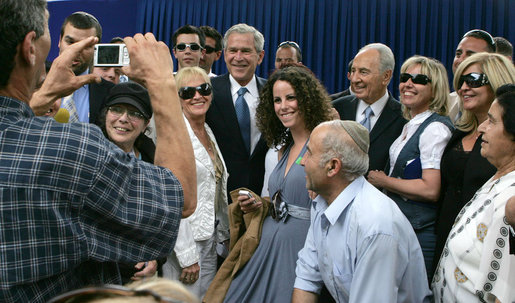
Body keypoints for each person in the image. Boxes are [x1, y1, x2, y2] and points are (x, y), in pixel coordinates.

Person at [0, 0, 196, 301]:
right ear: (30, 47)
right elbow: (180, 197)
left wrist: (41, 97)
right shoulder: (72, 148)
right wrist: (160, 80)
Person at [220, 66, 332, 303]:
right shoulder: (284, 146)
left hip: (301, 248)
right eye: (277, 100)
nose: (283, 106)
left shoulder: (324, 143)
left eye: (291, 97)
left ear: (308, 100)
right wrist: (258, 204)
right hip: (266, 244)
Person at [292, 120, 431, 303]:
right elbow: (308, 278)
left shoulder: (376, 224)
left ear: (333, 166)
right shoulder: (321, 203)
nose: (302, 161)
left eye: (309, 153)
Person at [368, 56, 454, 277]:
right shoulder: (412, 125)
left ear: (436, 89)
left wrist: (384, 181)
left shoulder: (435, 128)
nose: (408, 84)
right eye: (405, 77)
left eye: (419, 80)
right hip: (402, 228)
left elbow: (430, 189)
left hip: (418, 233)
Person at [433, 52, 515, 277]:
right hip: (446, 241)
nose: (463, 88)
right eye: (460, 81)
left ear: (497, 78)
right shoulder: (457, 133)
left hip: (487, 252)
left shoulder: (508, 143)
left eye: (474, 80)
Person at [162, 67, 229, 299]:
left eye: (203, 89)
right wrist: (187, 256)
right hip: (184, 248)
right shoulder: (174, 136)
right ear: (177, 98)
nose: (197, 96)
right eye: (187, 92)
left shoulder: (208, 130)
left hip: (209, 241)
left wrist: (224, 234)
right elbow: (172, 199)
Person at [96, 82, 161, 283]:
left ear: (146, 123)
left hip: (143, 279)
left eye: (134, 113)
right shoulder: (88, 157)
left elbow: (162, 219)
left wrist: (156, 258)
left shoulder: (155, 161)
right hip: (99, 277)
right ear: (105, 114)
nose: (123, 119)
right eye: (116, 110)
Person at [205, 23, 268, 198]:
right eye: (232, 51)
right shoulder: (207, 91)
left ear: (260, 56)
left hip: (263, 197)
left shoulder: (273, 93)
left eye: (246, 51)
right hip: (220, 197)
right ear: (225, 55)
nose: (238, 57)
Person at [332, 43, 406, 172]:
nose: (354, 79)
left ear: (386, 76)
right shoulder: (337, 108)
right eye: (353, 71)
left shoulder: (404, 118)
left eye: (363, 72)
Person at [54, 11, 114, 123]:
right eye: (70, 42)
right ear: (59, 41)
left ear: (97, 49)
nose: (75, 51)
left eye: (86, 45)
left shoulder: (109, 93)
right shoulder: (34, 84)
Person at [448, 29, 496, 122]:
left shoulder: (504, 107)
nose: (460, 60)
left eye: (470, 55)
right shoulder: (447, 103)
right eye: (458, 54)